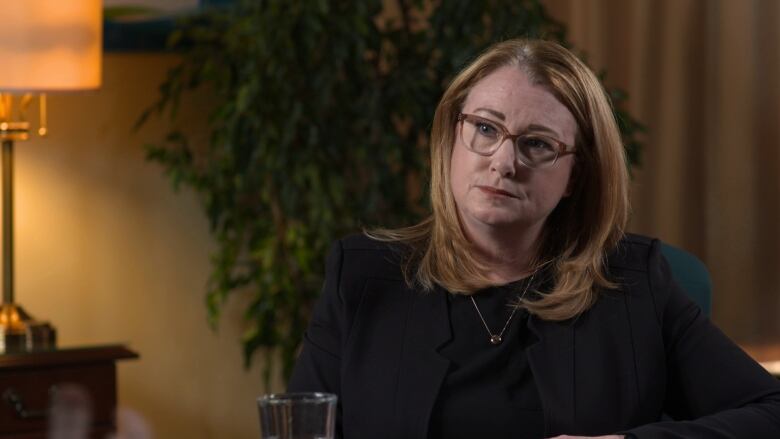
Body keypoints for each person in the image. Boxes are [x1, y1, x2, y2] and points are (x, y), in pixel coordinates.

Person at [288, 39, 780, 438]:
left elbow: (769, 408)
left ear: (576, 176)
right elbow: (302, 428)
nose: (503, 162)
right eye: (485, 128)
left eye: (538, 144)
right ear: (450, 137)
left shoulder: (635, 282)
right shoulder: (362, 275)